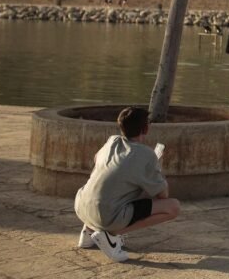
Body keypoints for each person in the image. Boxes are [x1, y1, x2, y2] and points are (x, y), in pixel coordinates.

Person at [74, 107, 180, 263]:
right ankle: (111, 235)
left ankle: (89, 231)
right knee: (173, 207)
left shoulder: (112, 141)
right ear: (145, 129)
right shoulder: (147, 155)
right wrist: (157, 169)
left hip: (81, 206)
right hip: (107, 215)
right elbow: (163, 195)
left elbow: (97, 161)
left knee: (113, 186)